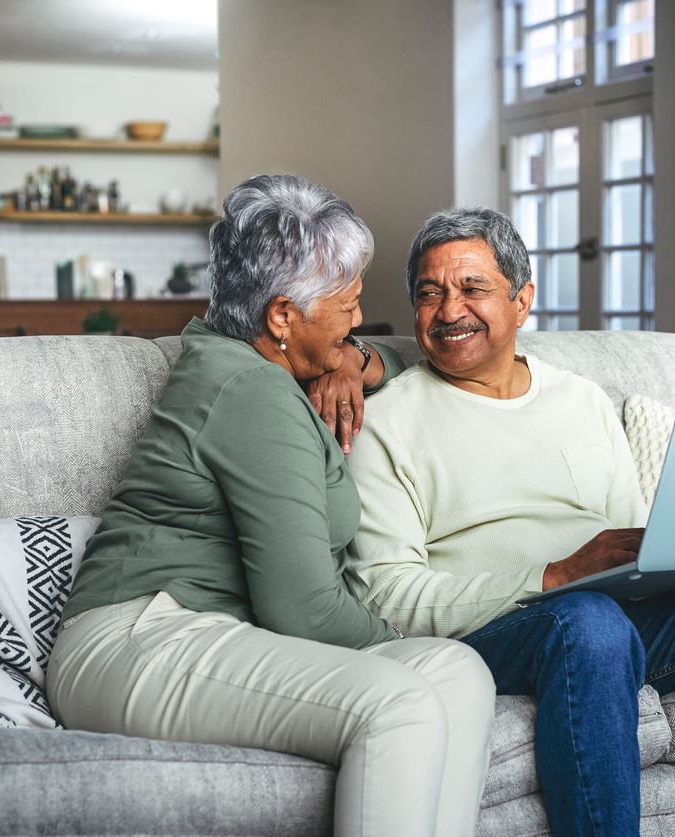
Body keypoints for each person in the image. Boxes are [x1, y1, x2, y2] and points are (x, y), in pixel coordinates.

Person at [345, 207, 675, 836]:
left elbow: (631, 547)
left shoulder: (581, 400)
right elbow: (386, 594)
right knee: (588, 621)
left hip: (601, 617)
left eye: (472, 289)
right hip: (492, 633)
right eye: (429, 293)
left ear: (522, 302)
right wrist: (554, 576)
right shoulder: (386, 422)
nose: (447, 310)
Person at [48, 176, 495, 837]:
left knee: (457, 670)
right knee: (400, 702)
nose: (355, 318)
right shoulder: (250, 390)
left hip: (205, 631)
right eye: (345, 306)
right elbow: (303, 607)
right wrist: (394, 641)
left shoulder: (258, 359)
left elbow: (404, 361)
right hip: (136, 638)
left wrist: (356, 361)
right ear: (282, 316)